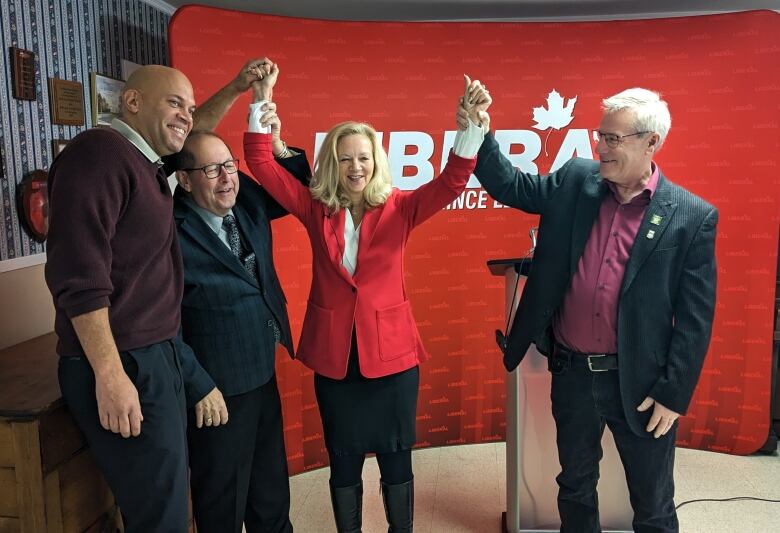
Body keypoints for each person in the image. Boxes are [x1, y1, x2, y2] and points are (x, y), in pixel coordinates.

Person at [242, 61, 489, 533]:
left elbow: (452, 181)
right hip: (337, 358)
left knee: (397, 460)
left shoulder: (401, 207)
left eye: (364, 157)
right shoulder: (315, 207)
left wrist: (469, 129)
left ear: (377, 161)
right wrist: (260, 100)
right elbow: (260, 163)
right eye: (346, 158)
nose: (356, 167)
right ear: (332, 163)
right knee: (344, 459)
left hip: (392, 360)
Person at [459, 87, 718, 532]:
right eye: (600, 136)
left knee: (653, 502)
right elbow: (511, 185)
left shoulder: (690, 216)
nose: (601, 147)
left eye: (613, 139)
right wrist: (479, 131)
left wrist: (674, 394)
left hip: (642, 382)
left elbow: (695, 316)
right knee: (575, 487)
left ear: (651, 142)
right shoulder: (577, 181)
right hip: (573, 373)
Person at [45, 65, 226, 532]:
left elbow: (197, 126)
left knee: (165, 503)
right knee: (160, 518)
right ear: (132, 103)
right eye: (175, 103)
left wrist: (240, 88)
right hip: (124, 363)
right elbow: (78, 276)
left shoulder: (146, 163)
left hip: (155, 354)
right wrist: (110, 374)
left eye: (190, 106)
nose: (187, 116)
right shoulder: (100, 154)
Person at [162, 58, 311, 533]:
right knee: (221, 499)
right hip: (216, 389)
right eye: (211, 171)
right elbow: (164, 323)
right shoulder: (168, 233)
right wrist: (198, 384)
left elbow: (296, 189)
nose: (227, 178)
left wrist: (273, 132)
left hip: (261, 372)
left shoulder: (244, 198)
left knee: (270, 491)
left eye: (230, 165)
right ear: (183, 181)